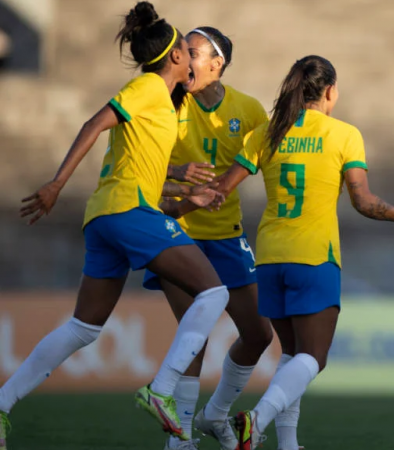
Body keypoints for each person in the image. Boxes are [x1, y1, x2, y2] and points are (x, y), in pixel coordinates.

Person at [0, 2, 234, 447]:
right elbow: (94, 123)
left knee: (84, 327)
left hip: (108, 216)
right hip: (127, 212)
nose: (191, 55)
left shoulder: (163, 106)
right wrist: (55, 184)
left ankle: (1, 403)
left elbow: (137, 169)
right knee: (214, 291)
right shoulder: (148, 87)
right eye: (188, 47)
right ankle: (160, 389)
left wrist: (185, 187)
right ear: (177, 57)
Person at [178, 54, 394, 450]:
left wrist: (173, 203)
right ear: (330, 91)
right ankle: (255, 421)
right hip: (314, 255)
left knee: (291, 356)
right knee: (315, 358)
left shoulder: (266, 134)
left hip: (270, 257)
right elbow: (362, 200)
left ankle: (288, 444)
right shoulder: (343, 134)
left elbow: (221, 187)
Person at [142, 27, 274, 450]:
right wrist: (182, 190)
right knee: (193, 335)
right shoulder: (166, 105)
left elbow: (273, 161)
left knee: (259, 335)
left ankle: (214, 415)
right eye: (181, 51)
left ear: (217, 64)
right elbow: (139, 172)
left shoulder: (249, 111)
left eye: (192, 52)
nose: (183, 59)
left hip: (228, 236)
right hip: (177, 233)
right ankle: (179, 440)